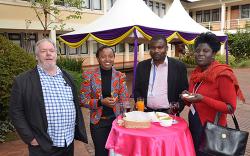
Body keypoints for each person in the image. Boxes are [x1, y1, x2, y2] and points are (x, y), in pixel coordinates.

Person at [9, 38, 88, 156]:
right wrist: (30, 138)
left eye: (51, 50)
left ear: (56, 55)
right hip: (43, 145)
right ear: (36, 56)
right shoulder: (23, 81)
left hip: (68, 142)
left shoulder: (67, 77)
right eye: (43, 51)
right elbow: (15, 111)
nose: (48, 53)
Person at [180, 32, 245, 155]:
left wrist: (203, 99)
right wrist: (186, 96)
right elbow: (193, 103)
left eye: (206, 51)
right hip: (195, 126)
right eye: (198, 50)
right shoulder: (196, 73)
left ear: (214, 54)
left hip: (213, 130)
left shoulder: (222, 75)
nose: (200, 54)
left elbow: (230, 108)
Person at [80, 45, 129, 156]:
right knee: (101, 153)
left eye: (110, 56)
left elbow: (124, 99)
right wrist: (100, 102)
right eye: (103, 57)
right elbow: (83, 100)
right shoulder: (89, 76)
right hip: (98, 123)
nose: (107, 59)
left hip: (117, 122)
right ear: (98, 58)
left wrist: (125, 116)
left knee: (116, 153)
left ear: (114, 58)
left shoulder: (120, 76)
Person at [134, 34, 188, 114]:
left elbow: (184, 92)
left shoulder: (178, 66)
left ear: (166, 48)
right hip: (146, 113)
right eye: (153, 47)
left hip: (169, 115)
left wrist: (177, 108)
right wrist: (139, 103)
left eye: (160, 47)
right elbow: (137, 90)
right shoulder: (141, 66)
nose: (156, 50)